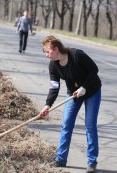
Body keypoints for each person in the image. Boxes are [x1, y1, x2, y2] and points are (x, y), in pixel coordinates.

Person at [39, 35, 102, 173]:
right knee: (66, 124)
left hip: (91, 91)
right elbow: (54, 87)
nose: (46, 55)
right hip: (73, 94)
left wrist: (84, 87)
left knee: (90, 126)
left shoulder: (76, 55)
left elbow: (94, 70)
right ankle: (61, 159)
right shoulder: (53, 65)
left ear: (56, 49)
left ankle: (92, 161)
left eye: (47, 51)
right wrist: (47, 105)